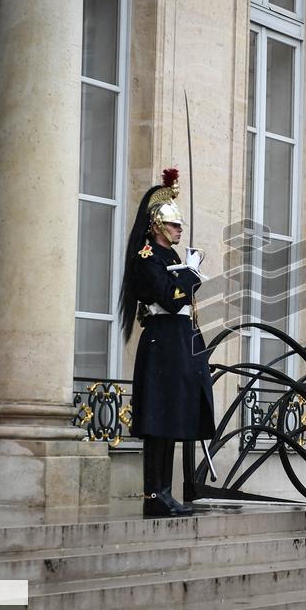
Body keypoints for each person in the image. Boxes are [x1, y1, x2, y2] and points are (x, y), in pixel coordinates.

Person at [119, 167, 216, 518]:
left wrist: (187, 270)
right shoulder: (147, 258)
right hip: (163, 341)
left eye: (179, 225)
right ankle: (153, 494)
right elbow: (173, 297)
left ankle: (165, 490)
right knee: (159, 420)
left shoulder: (171, 258)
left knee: (174, 416)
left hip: (179, 341)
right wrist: (191, 272)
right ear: (158, 225)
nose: (179, 230)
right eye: (174, 225)